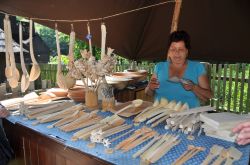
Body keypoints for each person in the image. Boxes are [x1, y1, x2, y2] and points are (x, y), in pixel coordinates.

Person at [145, 30, 213, 108]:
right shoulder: (159, 67)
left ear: (187, 51)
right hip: (161, 114)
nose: (176, 53)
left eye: (180, 49)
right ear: (169, 51)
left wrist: (194, 87)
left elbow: (209, 96)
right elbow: (148, 93)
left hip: (188, 116)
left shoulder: (197, 67)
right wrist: (150, 88)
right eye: (173, 49)